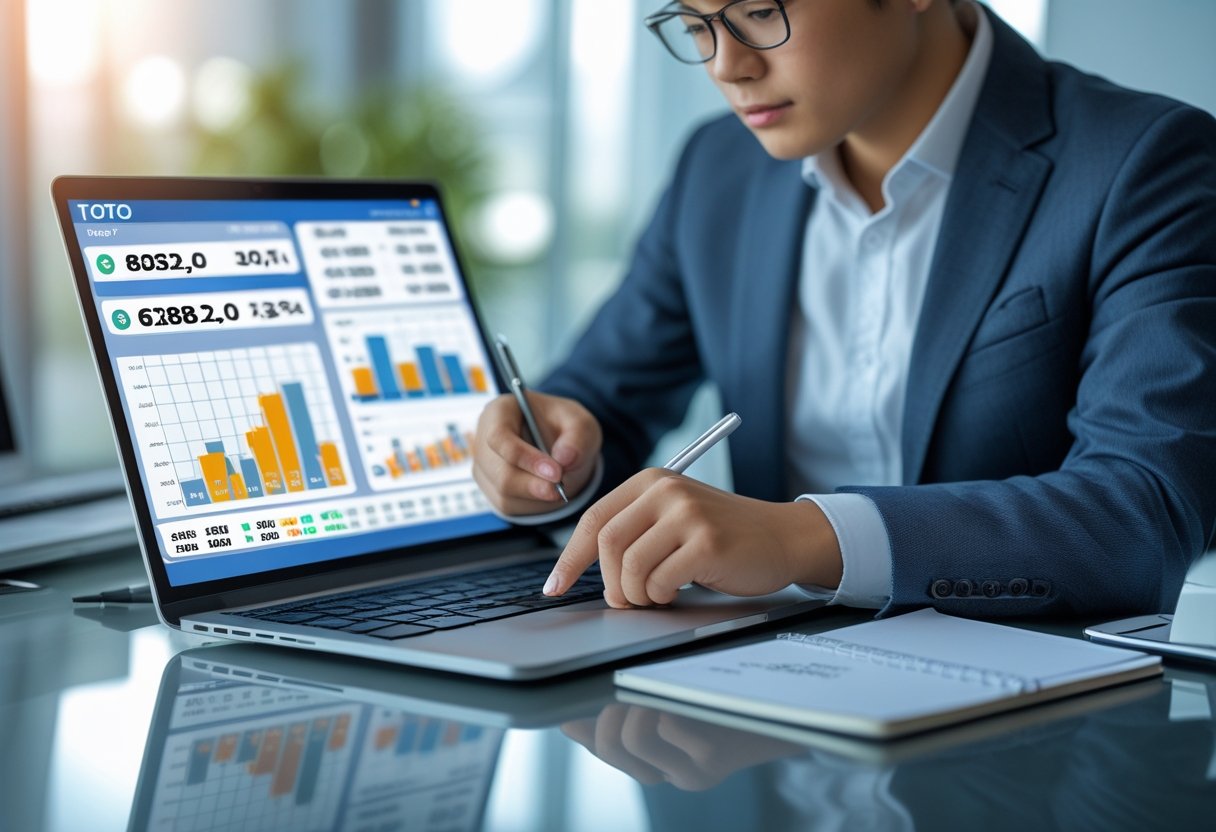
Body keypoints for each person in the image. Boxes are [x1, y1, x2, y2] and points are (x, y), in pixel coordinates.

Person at [471, 0, 1216, 617]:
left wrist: (803, 537)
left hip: (1030, 737)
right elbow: (601, 404)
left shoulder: (1145, 163)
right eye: (696, 27)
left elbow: (1142, 512)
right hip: (741, 721)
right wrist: (547, 458)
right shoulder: (718, 168)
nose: (727, 67)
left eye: (760, 12)